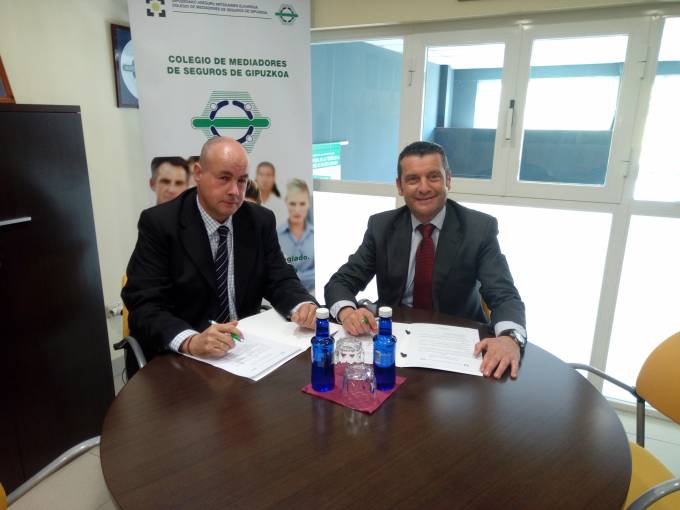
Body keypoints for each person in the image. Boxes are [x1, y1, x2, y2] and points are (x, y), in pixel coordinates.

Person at [324, 141, 526, 379]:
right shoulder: (382, 226)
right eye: (412, 179)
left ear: (448, 180)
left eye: (433, 177)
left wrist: (510, 338)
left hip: (457, 348)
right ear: (400, 186)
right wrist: (347, 312)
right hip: (393, 342)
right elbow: (340, 282)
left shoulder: (478, 229)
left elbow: (504, 295)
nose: (423, 188)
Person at [123, 137, 317, 370]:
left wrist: (302, 306)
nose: (235, 191)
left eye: (242, 181)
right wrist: (190, 340)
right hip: (182, 356)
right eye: (224, 178)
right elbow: (144, 304)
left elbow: (279, 278)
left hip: (244, 351)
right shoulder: (160, 224)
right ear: (198, 173)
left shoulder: (259, 220)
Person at [277, 179, 315, 293]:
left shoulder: (316, 234)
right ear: (286, 202)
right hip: (285, 296)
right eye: (292, 204)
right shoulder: (275, 235)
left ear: (309, 204)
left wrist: (292, 278)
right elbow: (276, 273)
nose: (297, 209)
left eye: (302, 204)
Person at [255, 161, 287, 226]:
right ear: (256, 177)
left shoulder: (280, 204)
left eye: (268, 175)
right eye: (261, 174)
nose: (265, 179)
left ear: (274, 178)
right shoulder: (247, 201)